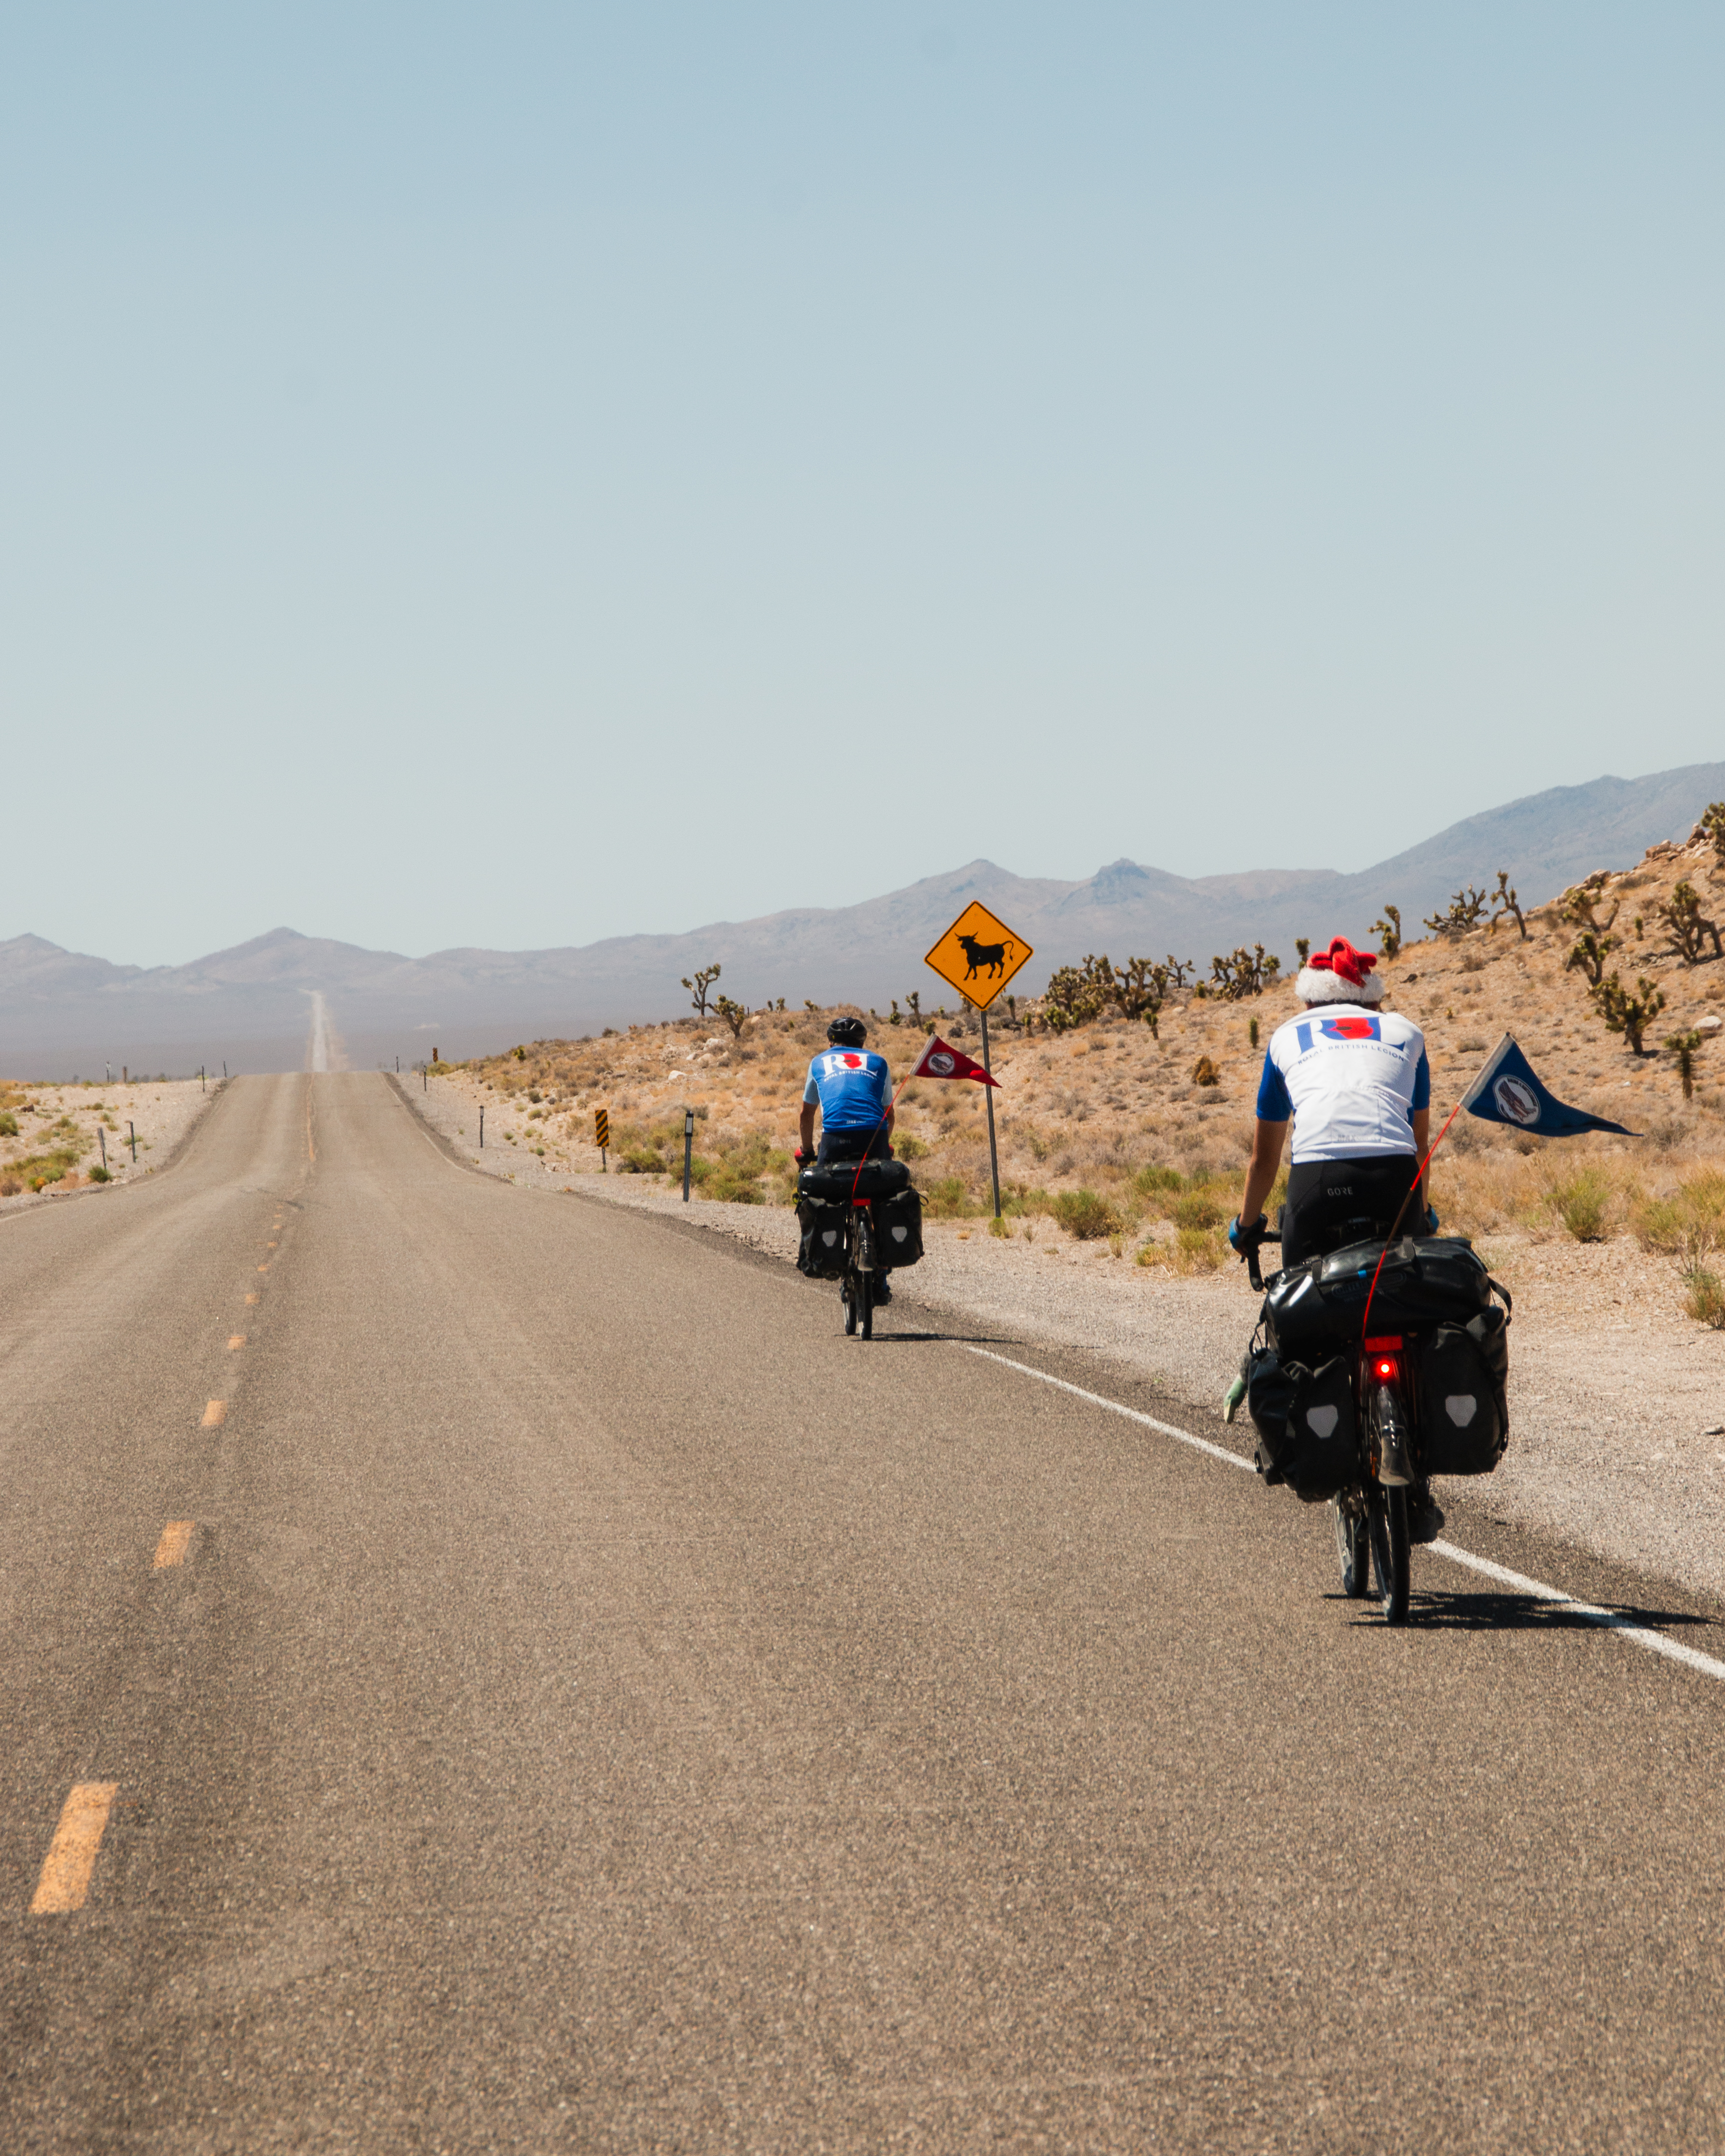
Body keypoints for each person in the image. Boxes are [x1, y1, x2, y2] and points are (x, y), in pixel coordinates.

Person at [1228, 934, 1440, 1536]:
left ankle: (1323, 1449)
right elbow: (1417, 1144)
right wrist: (1419, 1218)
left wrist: (1247, 1227)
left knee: (1305, 1316)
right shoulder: (1406, 1033)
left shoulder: (1286, 1039)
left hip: (1317, 1185)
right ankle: (1418, 1472)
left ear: (1309, 1002)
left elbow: (1264, 1157)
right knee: (1410, 1310)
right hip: (1395, 1180)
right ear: (1371, 1001)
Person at [798, 1014, 896, 1299]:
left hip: (834, 1138)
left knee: (825, 1195)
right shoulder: (878, 1062)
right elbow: (889, 1117)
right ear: (863, 1043)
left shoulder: (818, 1063)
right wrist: (884, 1146)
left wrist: (806, 1151)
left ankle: (829, 1255)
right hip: (874, 1137)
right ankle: (882, 1274)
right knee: (881, 1197)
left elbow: (807, 1114)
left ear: (831, 1042)